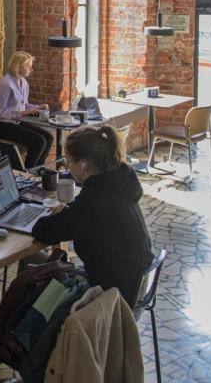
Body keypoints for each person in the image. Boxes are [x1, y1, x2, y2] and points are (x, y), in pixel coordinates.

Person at [30, 125, 154, 307]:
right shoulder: (117, 181)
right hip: (134, 281)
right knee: (45, 267)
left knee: (33, 270)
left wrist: (66, 213)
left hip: (115, 298)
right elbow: (85, 217)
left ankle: (26, 333)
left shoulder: (95, 200)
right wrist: (70, 211)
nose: (67, 167)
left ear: (83, 165)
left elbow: (42, 230)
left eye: (68, 161)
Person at [0, 50, 54, 167]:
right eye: (29, 66)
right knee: (39, 141)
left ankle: (37, 171)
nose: (31, 69)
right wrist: (22, 113)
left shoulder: (24, 82)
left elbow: (24, 105)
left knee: (48, 137)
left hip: (15, 121)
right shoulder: (5, 85)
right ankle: (27, 174)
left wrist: (38, 107)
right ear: (19, 67)